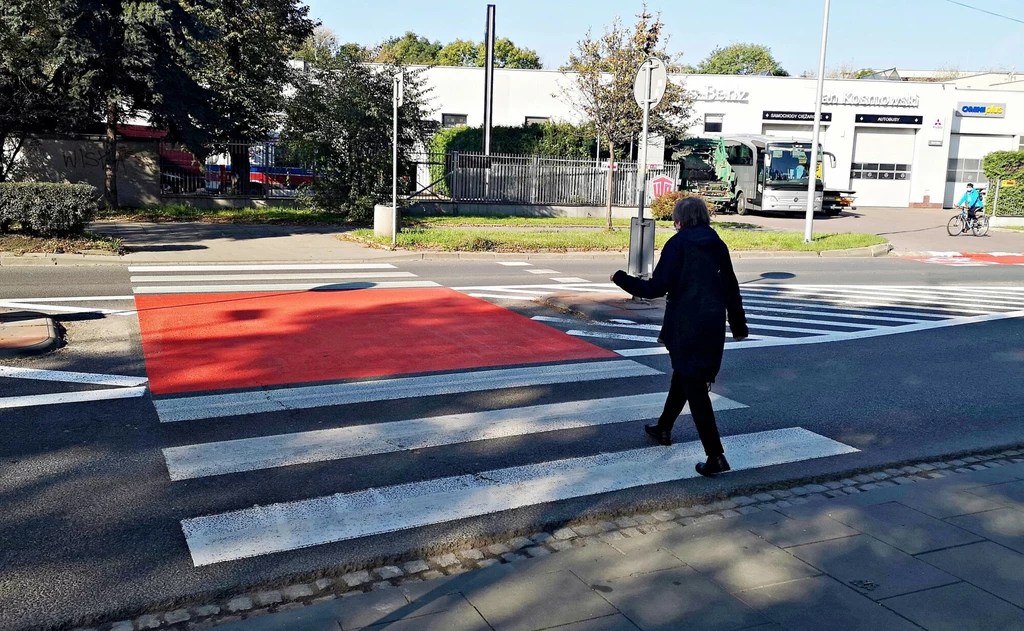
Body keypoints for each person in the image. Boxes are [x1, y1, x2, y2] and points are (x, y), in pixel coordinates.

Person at [610, 197, 748, 477]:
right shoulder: (717, 244)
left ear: (679, 220)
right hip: (711, 325)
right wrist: (738, 325)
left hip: (685, 326)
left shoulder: (678, 244)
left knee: (695, 389)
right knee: (684, 377)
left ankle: (715, 456)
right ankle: (664, 428)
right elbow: (730, 287)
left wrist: (620, 278)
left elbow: (656, 288)